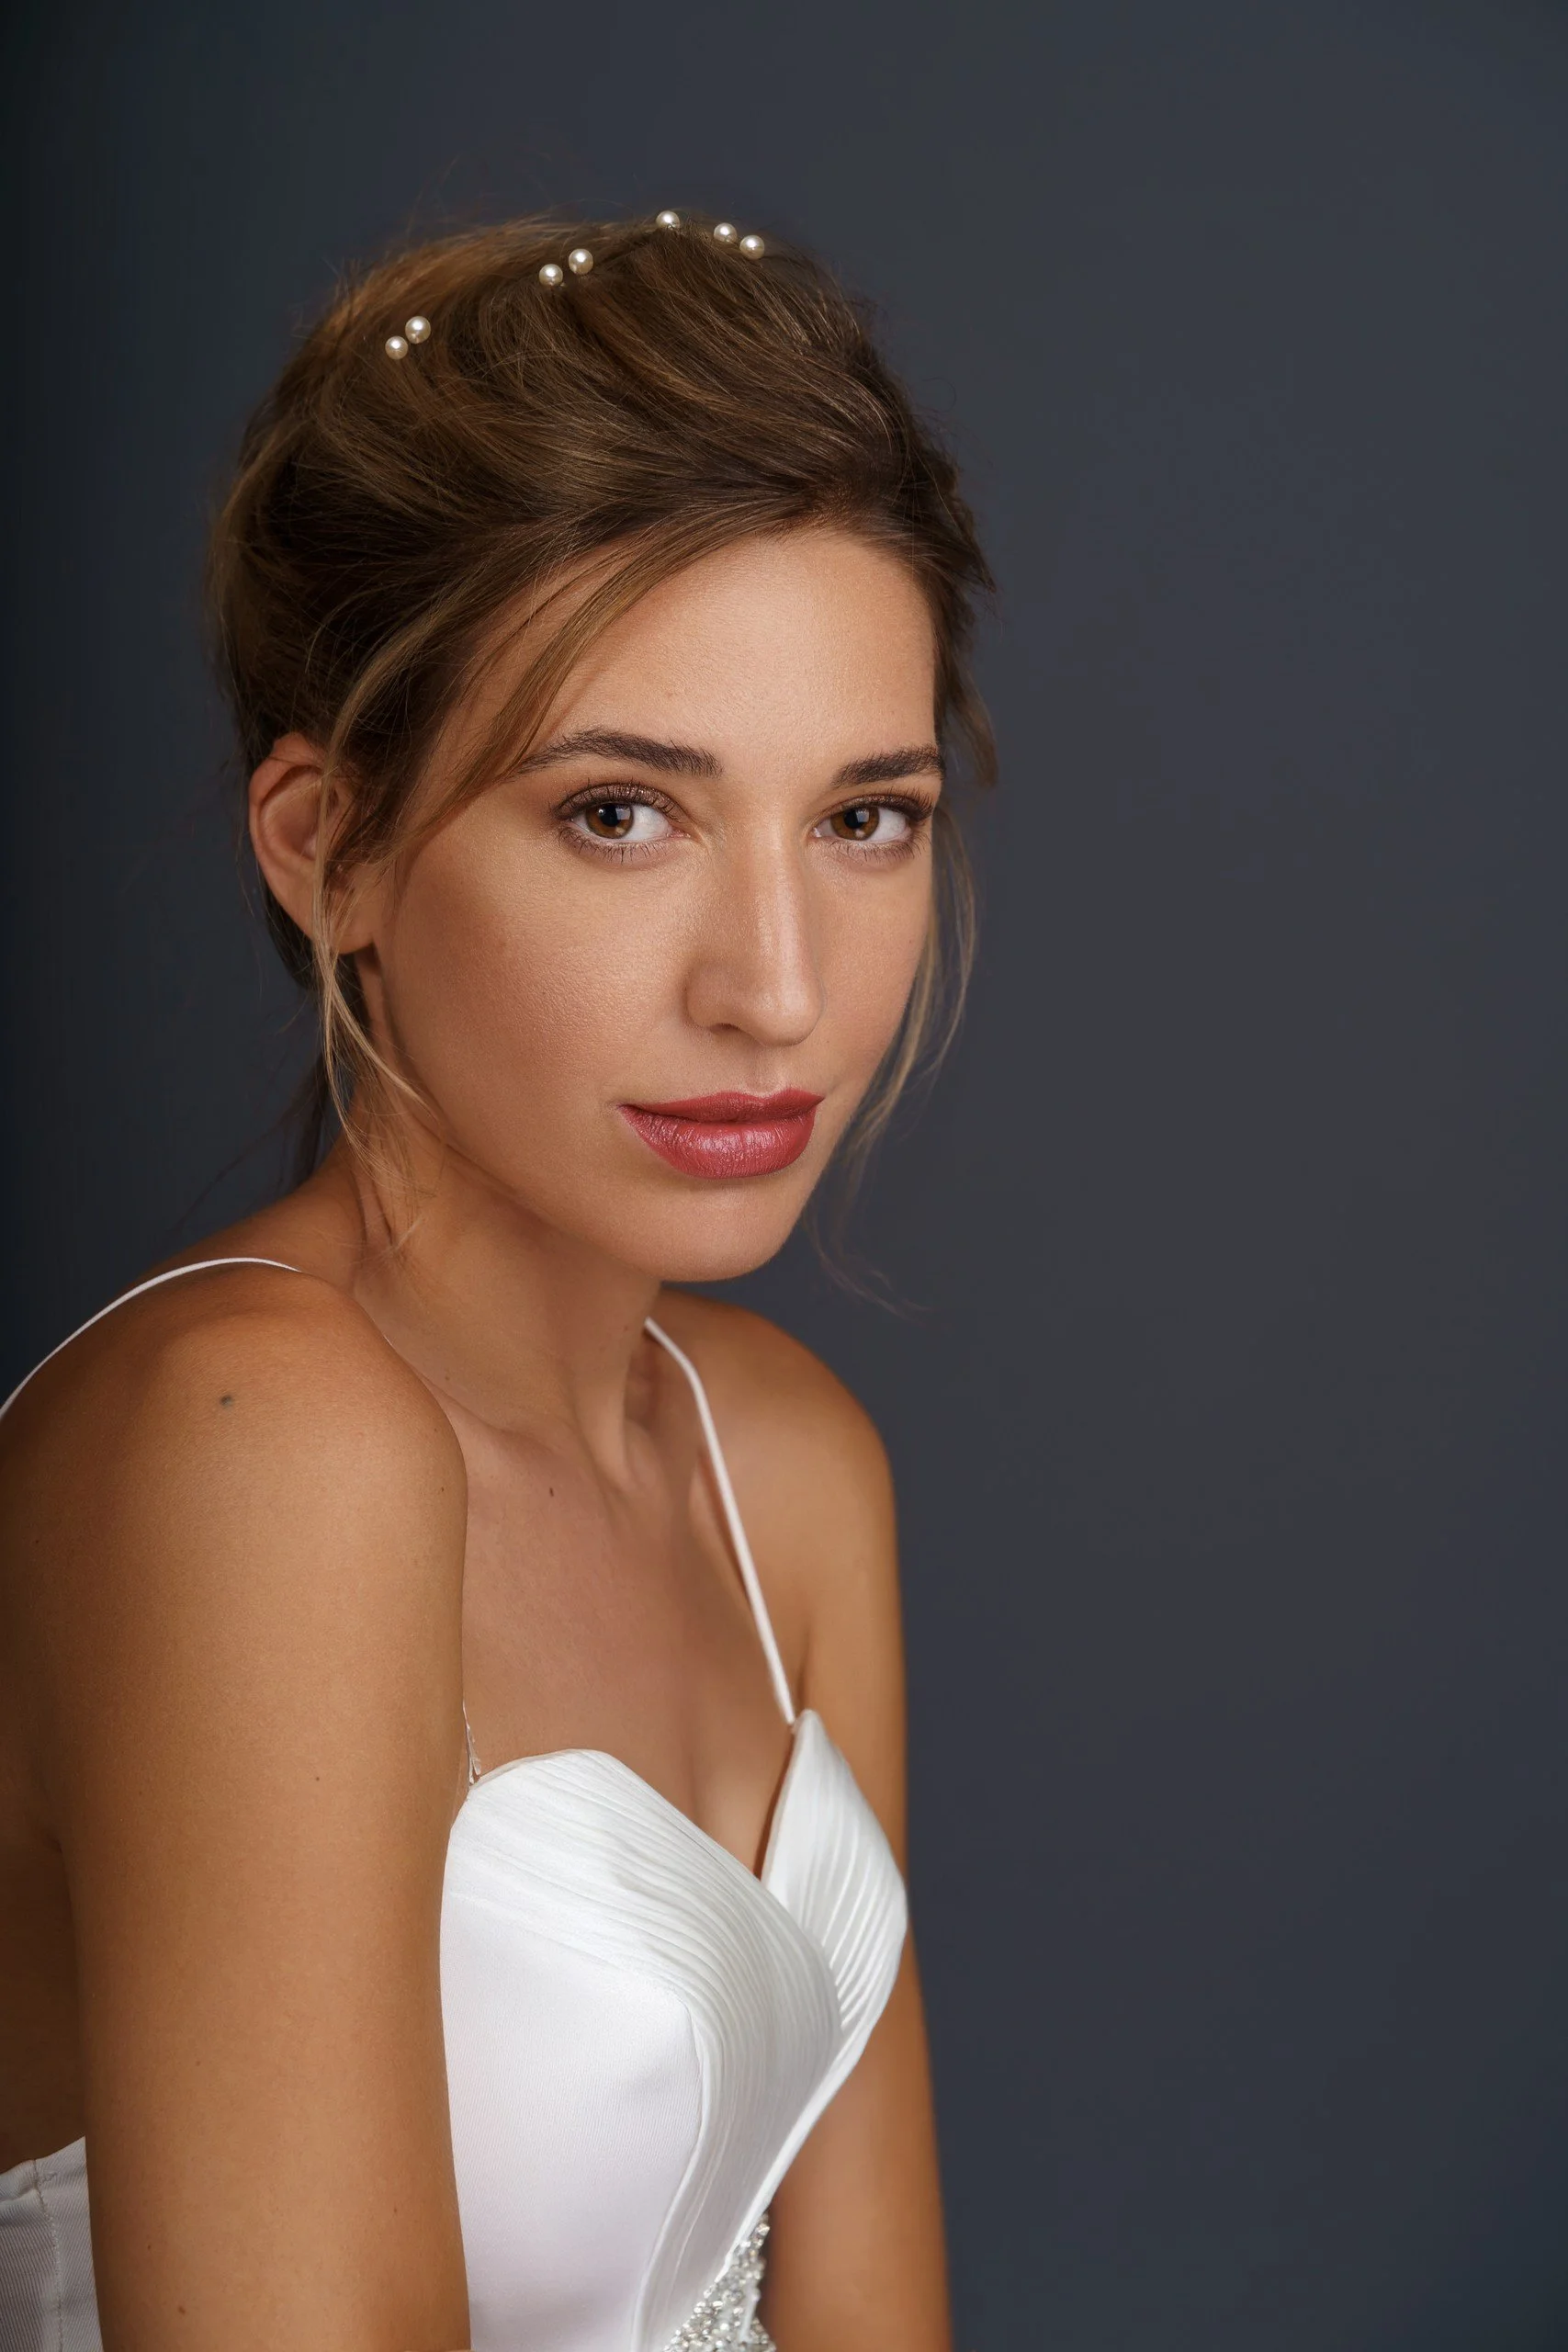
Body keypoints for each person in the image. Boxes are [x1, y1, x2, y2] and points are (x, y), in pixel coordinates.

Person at [0, 210, 994, 2352]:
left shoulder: (785, 1469)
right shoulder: (248, 1442)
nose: (777, 985)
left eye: (867, 817)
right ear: (327, 843)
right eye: (624, 812)